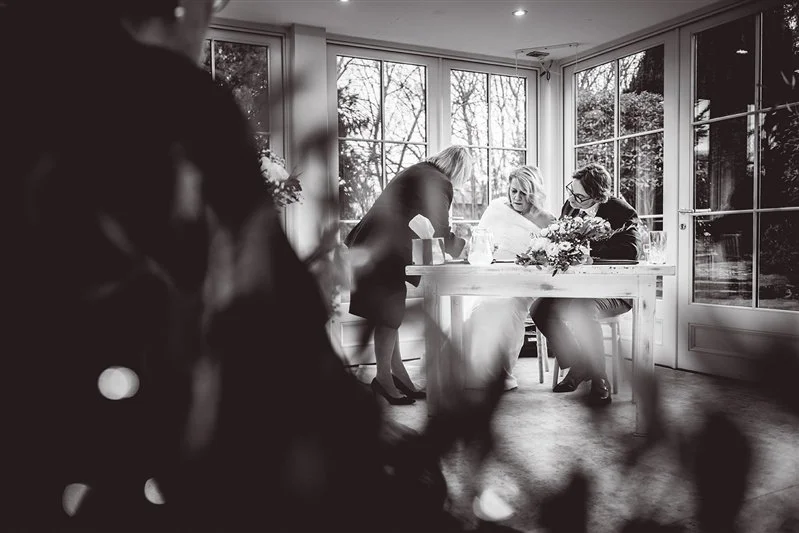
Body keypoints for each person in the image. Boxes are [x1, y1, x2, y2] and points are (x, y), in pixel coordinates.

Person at [2, 2, 447, 532]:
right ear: (179, 8)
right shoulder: (166, 98)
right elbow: (281, 347)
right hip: (141, 457)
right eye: (212, 8)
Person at [345, 146, 471, 404]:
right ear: (458, 169)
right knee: (388, 316)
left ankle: (397, 375)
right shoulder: (439, 181)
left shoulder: (421, 171)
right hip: (380, 249)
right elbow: (440, 228)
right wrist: (463, 245)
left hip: (372, 245)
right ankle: (384, 380)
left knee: (390, 315)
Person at [529, 163, 643, 406]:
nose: (572, 198)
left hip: (613, 291)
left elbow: (632, 252)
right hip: (576, 287)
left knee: (581, 309)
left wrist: (591, 255)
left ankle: (600, 379)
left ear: (598, 195)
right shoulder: (570, 207)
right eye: (571, 190)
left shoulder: (621, 212)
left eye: (579, 196)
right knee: (540, 310)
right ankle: (581, 362)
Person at [463, 165, 556, 391]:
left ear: (533, 193)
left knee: (505, 308)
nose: (516, 197)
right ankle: (472, 371)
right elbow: (479, 241)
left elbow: (552, 259)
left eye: (523, 192)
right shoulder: (497, 208)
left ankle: (497, 375)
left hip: (524, 283)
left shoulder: (548, 220)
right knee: (479, 308)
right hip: (493, 279)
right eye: (513, 191)